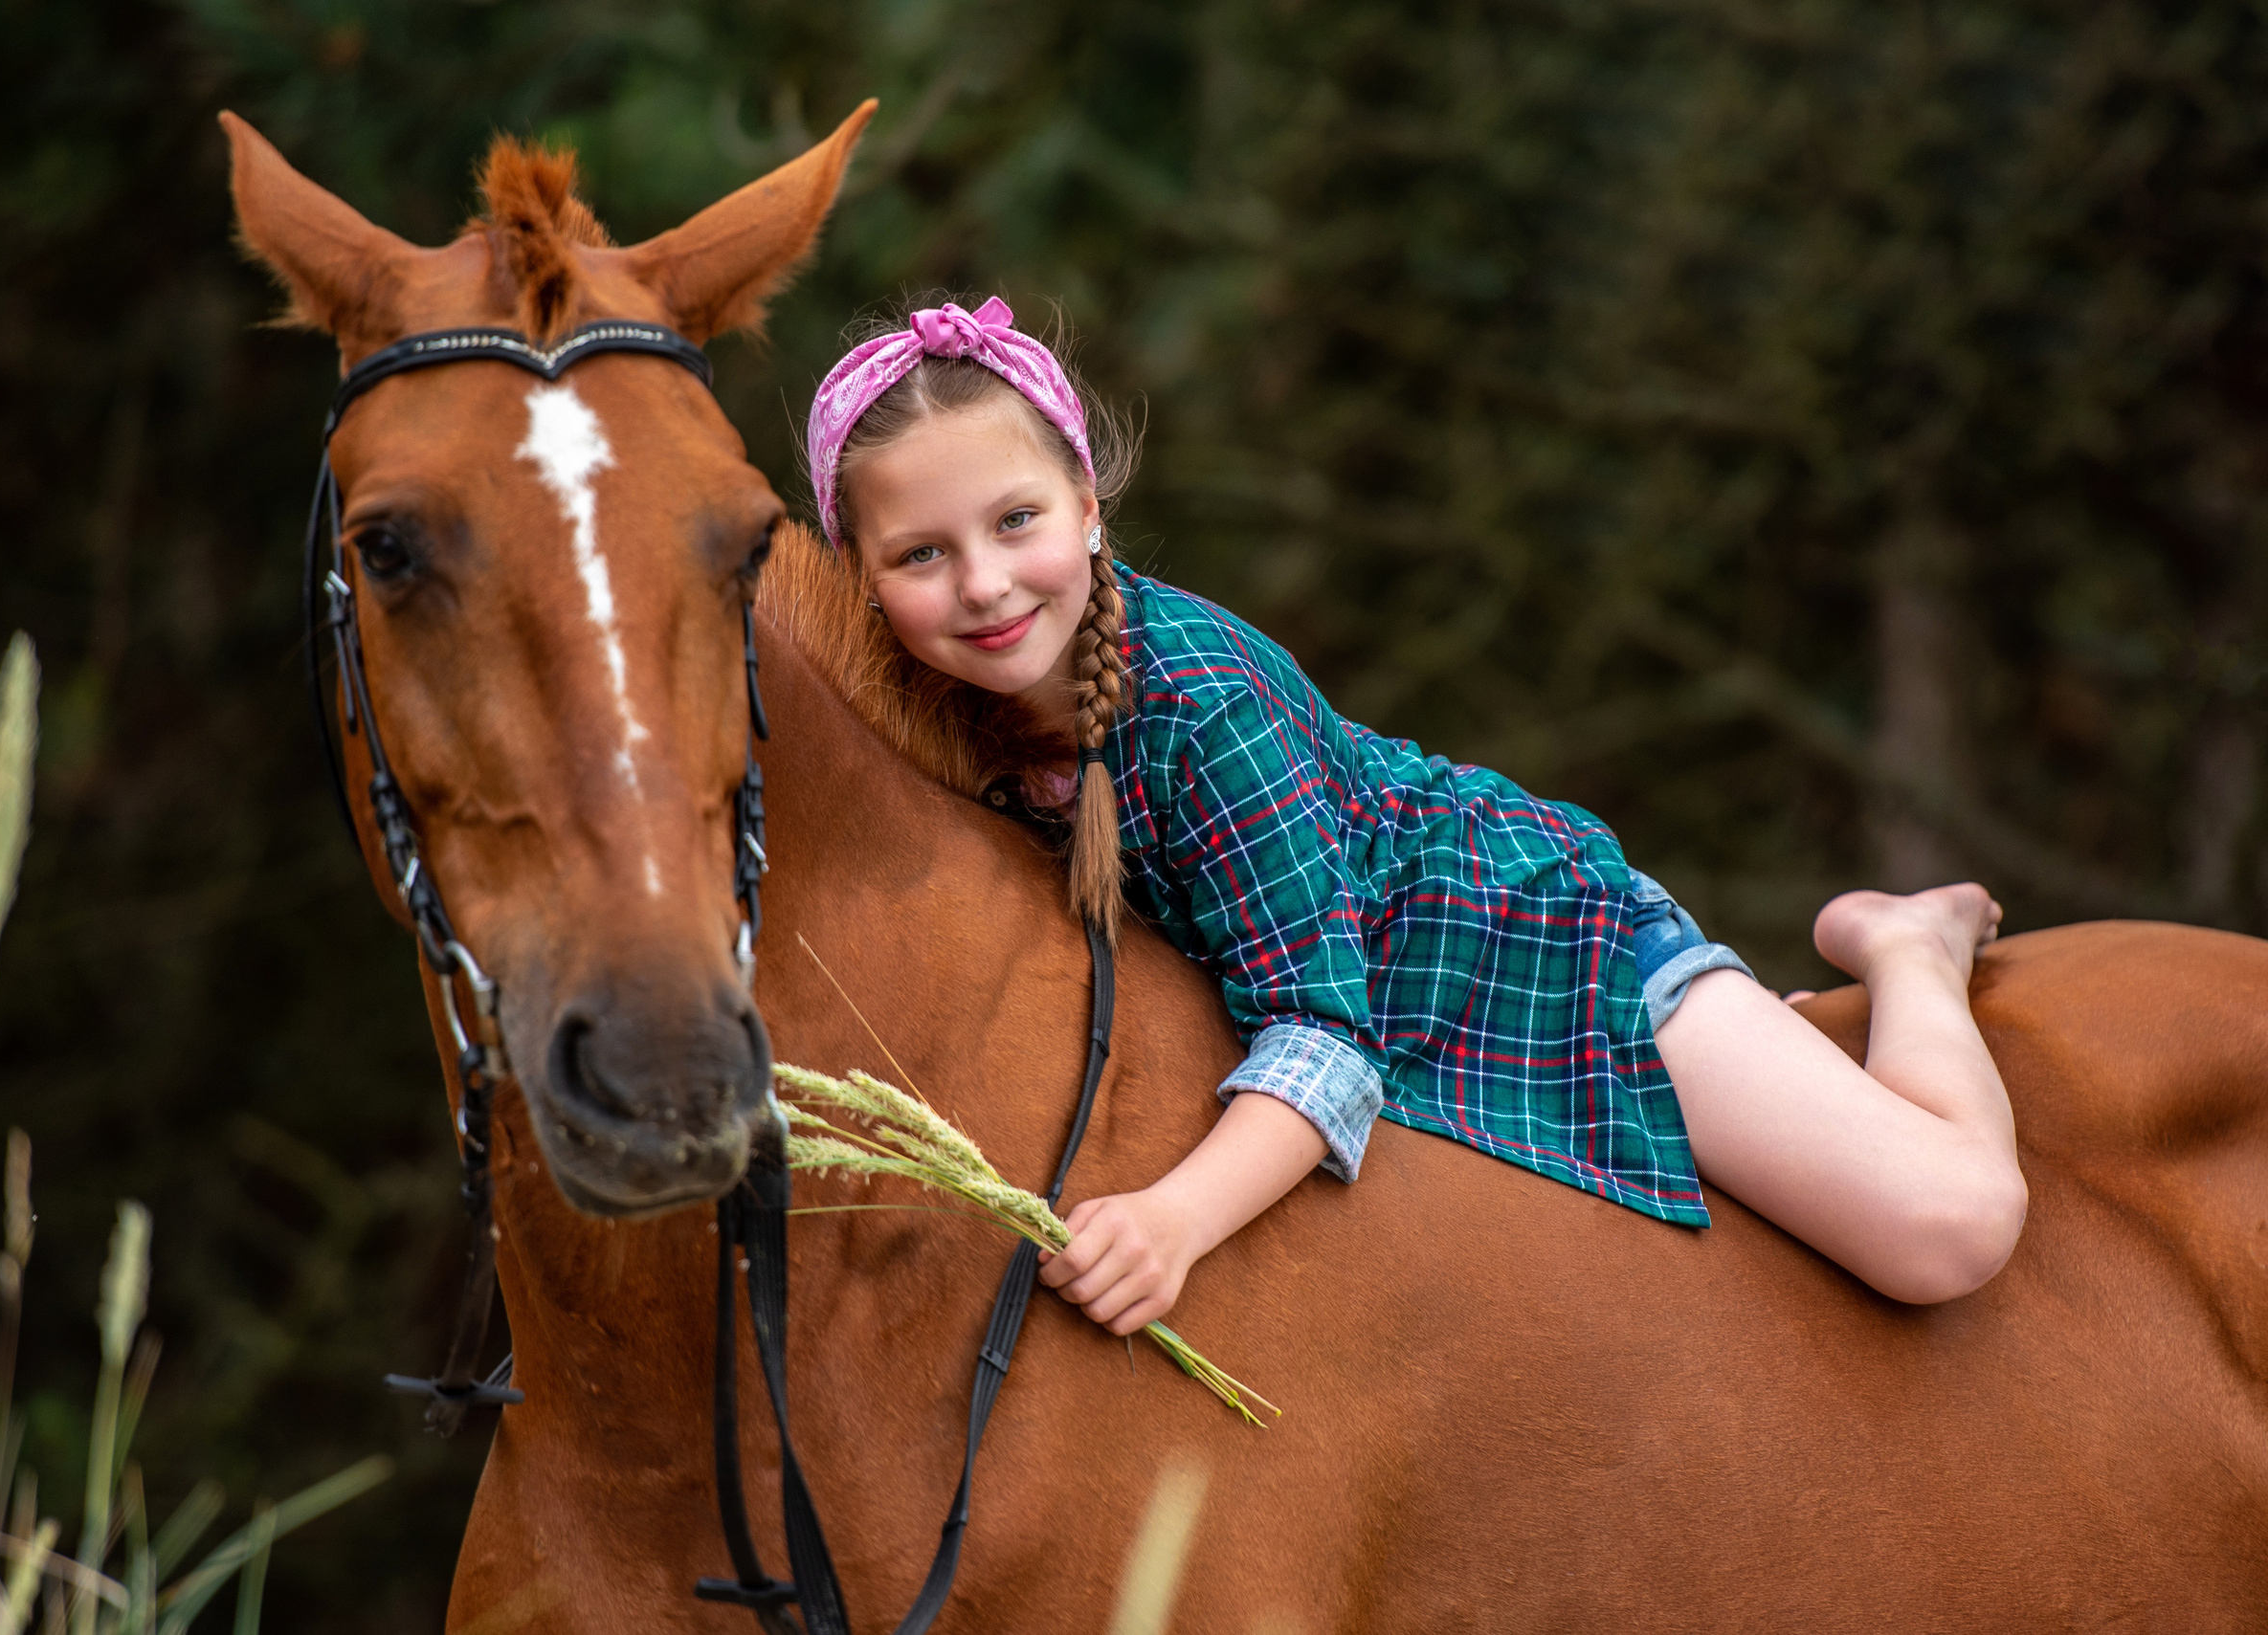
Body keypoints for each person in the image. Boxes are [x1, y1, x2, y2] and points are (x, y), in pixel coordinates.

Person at [804, 296, 2029, 1335]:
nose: (982, 583)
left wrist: (1176, 1217)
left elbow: (1326, 1032)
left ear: (1088, 505)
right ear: (856, 571)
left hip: (1524, 955)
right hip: (1340, 992)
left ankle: (1909, 949)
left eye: (1016, 519)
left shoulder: (1200, 706)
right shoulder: (917, 717)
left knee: (1944, 1227)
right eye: (920, 553)